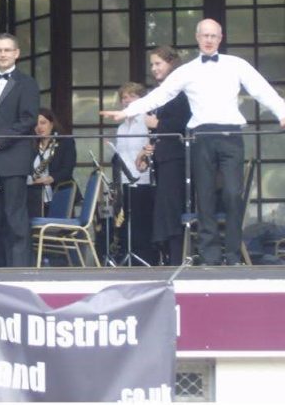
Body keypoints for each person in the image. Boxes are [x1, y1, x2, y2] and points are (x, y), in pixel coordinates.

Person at [102, 18, 285, 266]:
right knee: (205, 196)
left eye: (213, 36)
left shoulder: (236, 64)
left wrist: (281, 112)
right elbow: (160, 95)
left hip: (231, 135)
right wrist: (127, 112)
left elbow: (261, 89)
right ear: (198, 38)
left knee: (232, 194)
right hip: (200, 137)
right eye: (204, 35)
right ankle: (209, 255)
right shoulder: (187, 71)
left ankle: (232, 254)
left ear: (220, 38)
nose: (209, 40)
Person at [0, 34, 40, 267]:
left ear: (16, 53)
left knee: (15, 218)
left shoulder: (27, 83)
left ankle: (19, 272)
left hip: (13, 159)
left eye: (7, 50)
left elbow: (28, 120)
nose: (2, 54)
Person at [135, 46, 191, 266]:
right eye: (152, 64)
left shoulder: (182, 92)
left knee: (172, 209)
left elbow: (185, 124)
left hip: (177, 159)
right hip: (162, 157)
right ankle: (167, 256)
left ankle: (177, 258)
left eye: (158, 63)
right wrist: (146, 149)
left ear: (171, 63)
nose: (154, 68)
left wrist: (157, 124)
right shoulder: (161, 92)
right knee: (163, 210)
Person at [112, 82, 157, 265]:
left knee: (141, 222)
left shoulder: (146, 121)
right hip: (124, 179)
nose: (126, 100)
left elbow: (152, 147)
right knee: (125, 222)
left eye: (131, 96)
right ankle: (127, 257)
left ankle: (144, 259)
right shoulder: (121, 127)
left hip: (144, 180)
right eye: (124, 97)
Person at [26, 107, 77, 217]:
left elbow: (67, 170)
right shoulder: (30, 146)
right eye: (36, 124)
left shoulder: (66, 142)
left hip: (58, 195)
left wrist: (49, 179)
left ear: (52, 124)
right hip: (34, 198)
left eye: (43, 123)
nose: (39, 127)